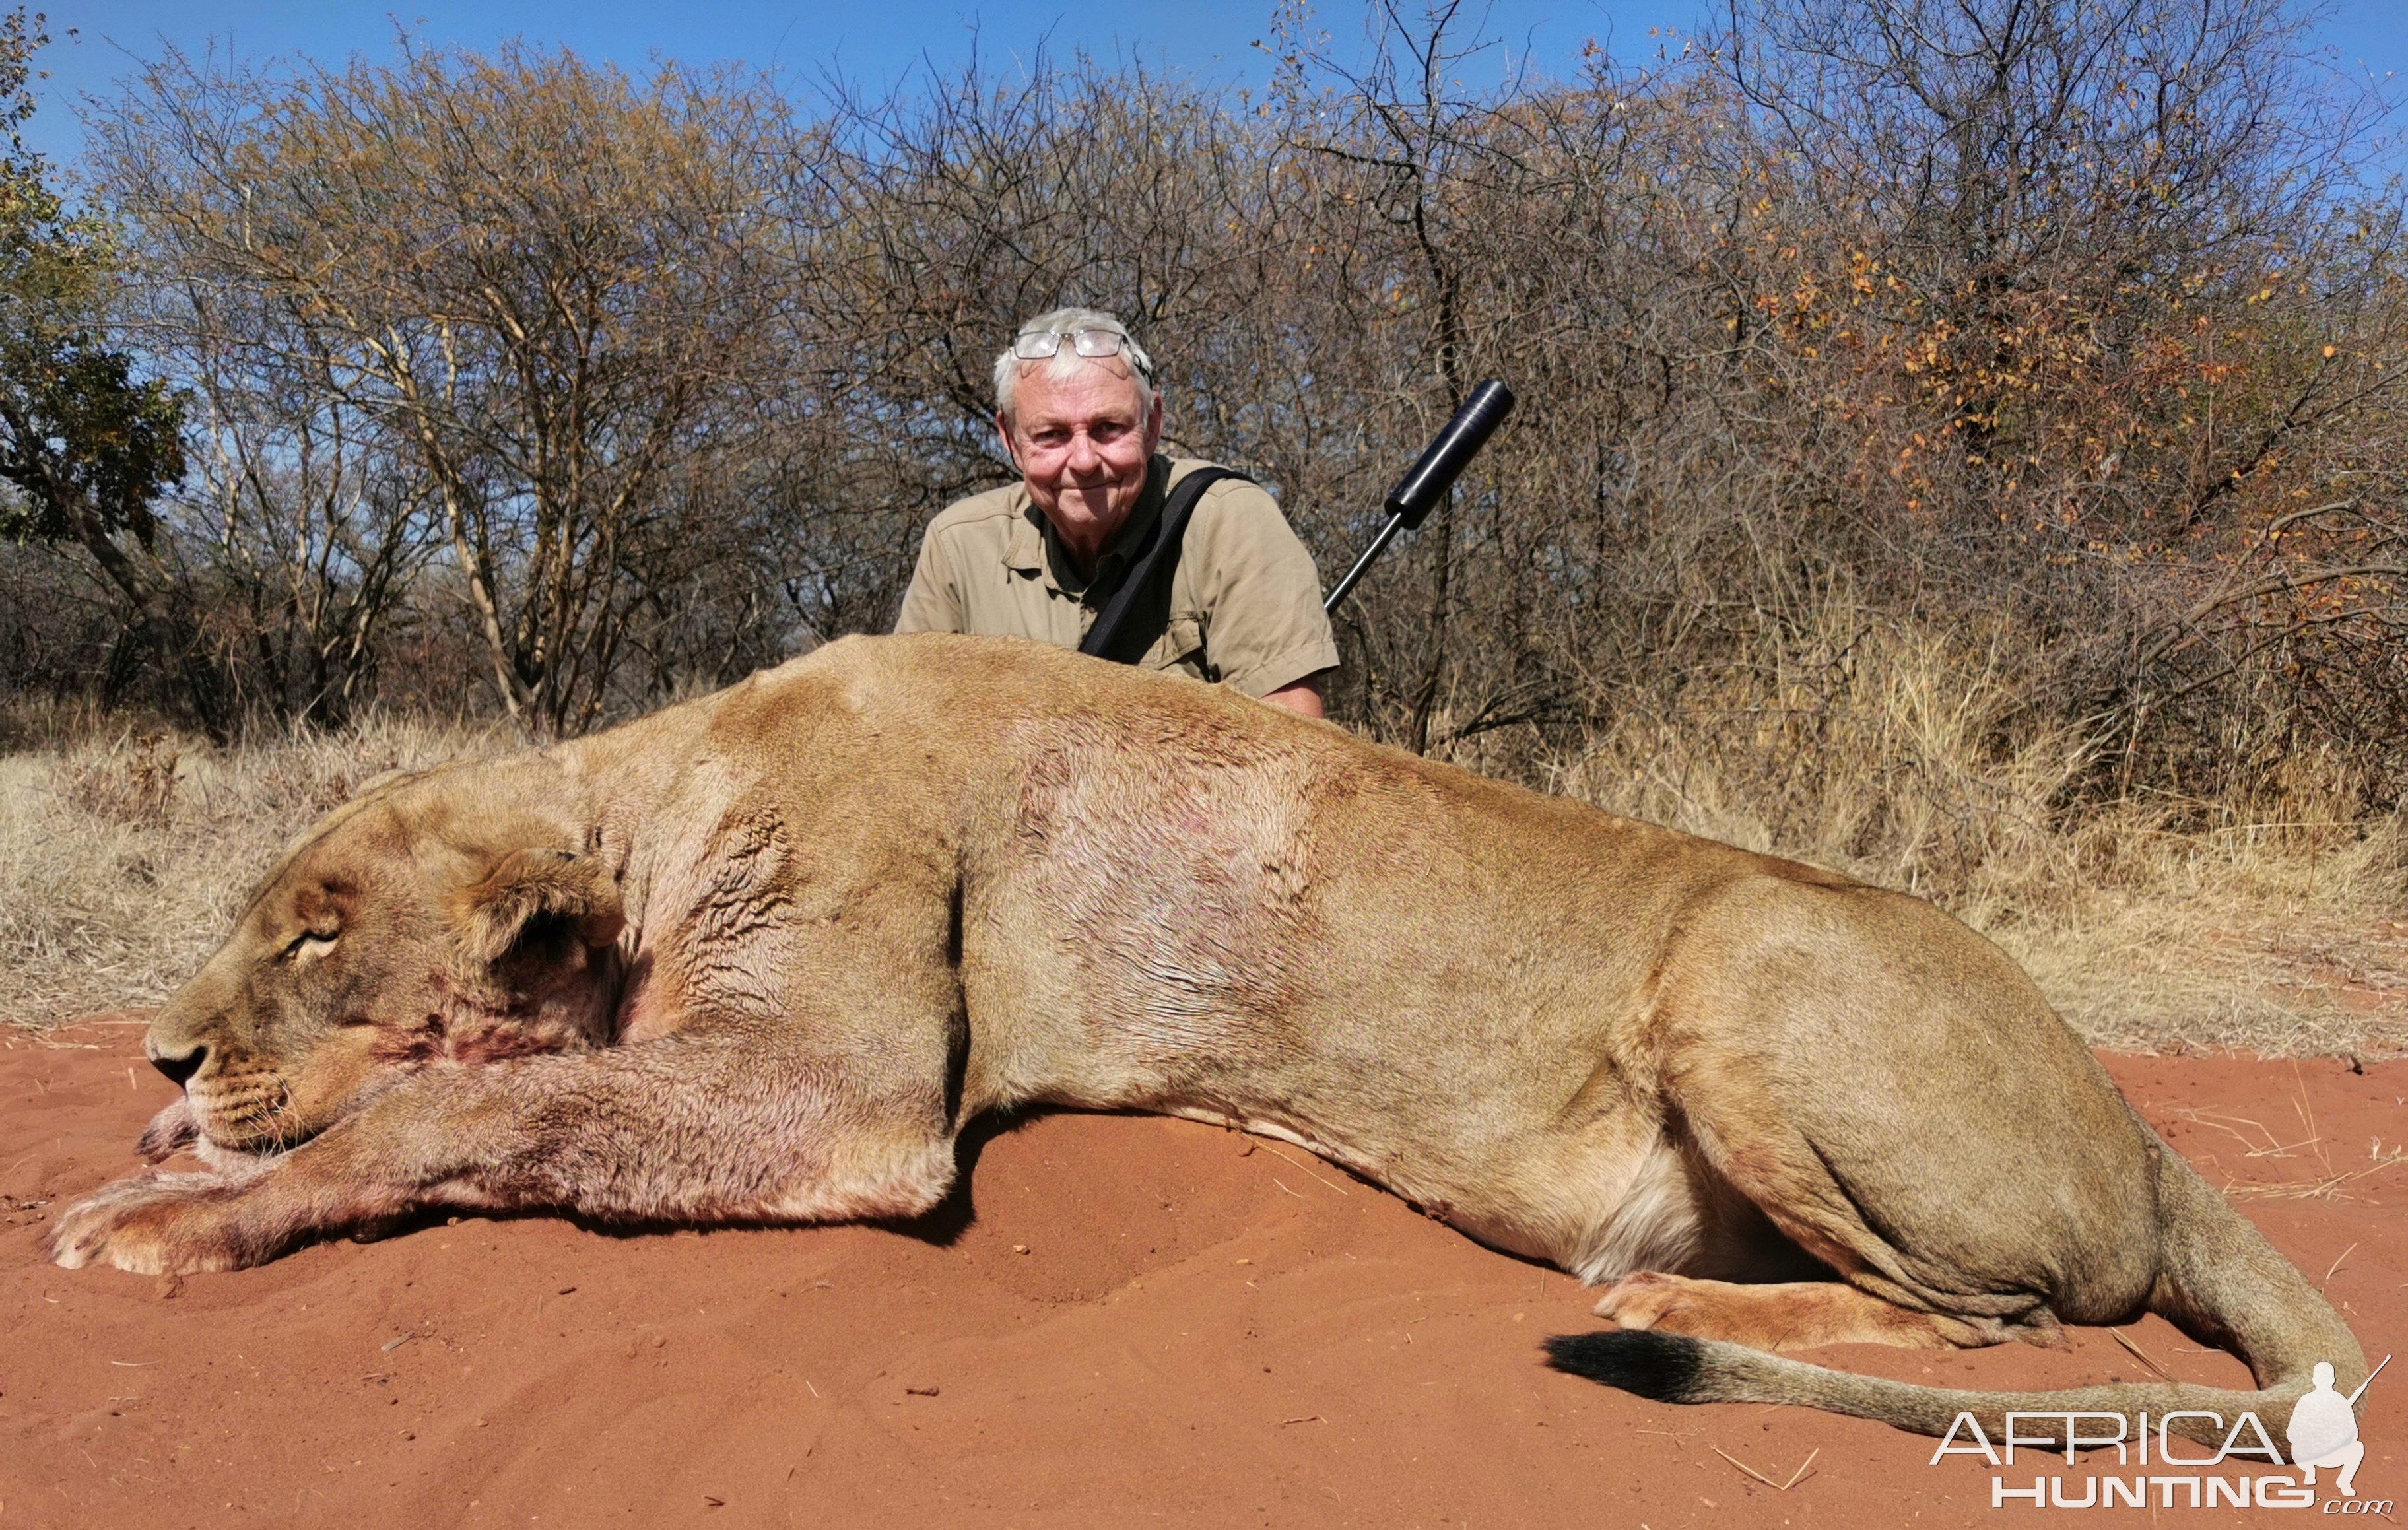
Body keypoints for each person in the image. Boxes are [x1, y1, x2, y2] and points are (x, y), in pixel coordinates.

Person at [893, 308, 1338, 717]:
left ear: (1152, 425)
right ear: (1010, 440)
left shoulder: (1230, 520)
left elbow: (1291, 755)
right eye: (1052, 434)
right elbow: (907, 738)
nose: (1084, 460)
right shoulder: (956, 546)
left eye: (1109, 428)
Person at [2286, 1360, 2364, 1495]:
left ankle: (2343, 1481)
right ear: (2333, 1380)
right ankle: (2310, 1472)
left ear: (2314, 1379)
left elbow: (2353, 1433)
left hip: (2327, 1453)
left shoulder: (2339, 1402)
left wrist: (2335, 1433)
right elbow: (2292, 1432)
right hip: (2309, 1453)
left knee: (2358, 1447)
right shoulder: (2307, 1401)